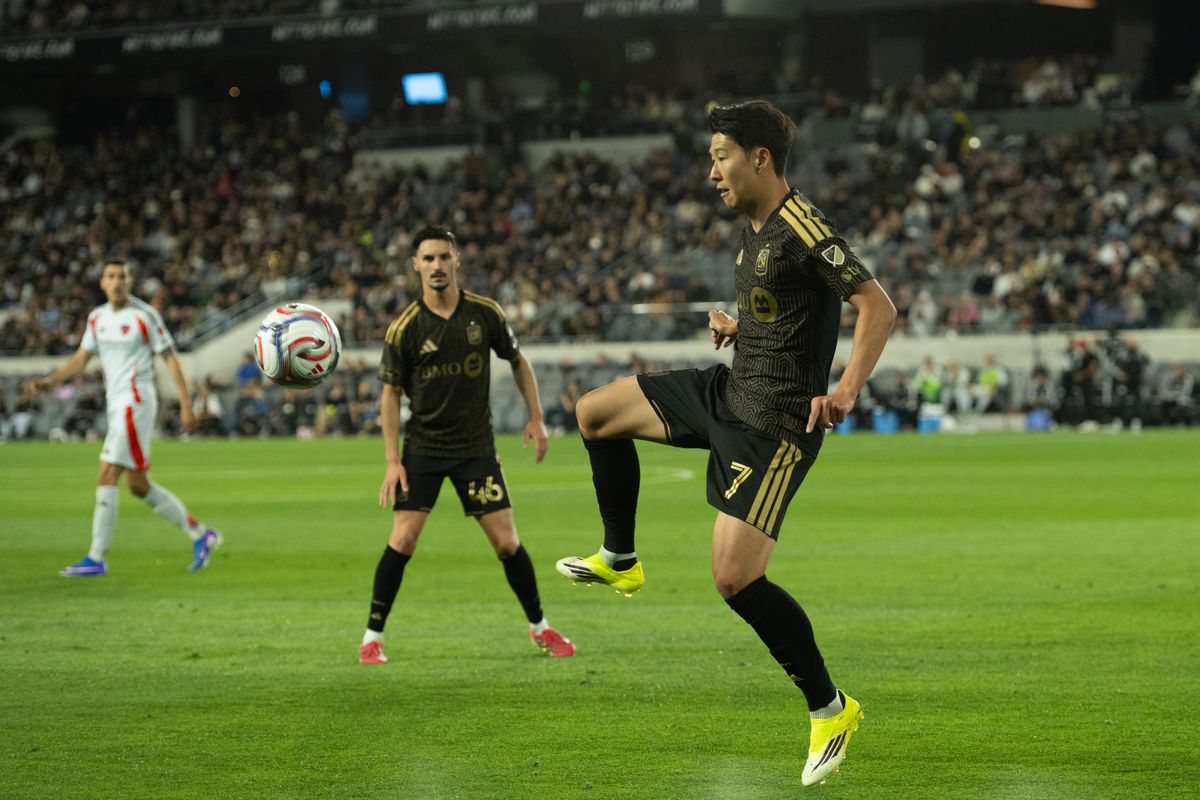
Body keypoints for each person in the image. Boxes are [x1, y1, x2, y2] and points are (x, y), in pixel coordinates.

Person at [556, 100, 896, 787]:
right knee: (595, 413)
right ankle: (620, 556)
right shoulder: (756, 231)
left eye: (721, 156)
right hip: (728, 393)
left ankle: (831, 708)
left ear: (759, 158)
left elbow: (876, 306)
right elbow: (790, 312)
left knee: (734, 578)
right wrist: (740, 326)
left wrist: (849, 388)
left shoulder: (804, 226)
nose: (711, 171)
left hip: (773, 430)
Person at [361, 225, 575, 664]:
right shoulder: (404, 328)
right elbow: (389, 394)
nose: (436, 266)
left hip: (475, 450)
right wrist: (390, 461)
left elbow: (518, 360)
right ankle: (371, 637)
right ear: (415, 266)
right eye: (428, 259)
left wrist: (536, 417)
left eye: (444, 257)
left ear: (456, 260)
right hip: (422, 450)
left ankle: (541, 627)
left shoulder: (484, 314)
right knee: (402, 540)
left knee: (507, 543)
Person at [24, 258, 221, 577]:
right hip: (116, 404)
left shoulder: (144, 315)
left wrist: (186, 404)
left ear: (131, 282)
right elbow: (81, 358)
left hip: (136, 401)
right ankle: (201, 535)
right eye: (111, 276)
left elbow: (170, 358)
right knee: (139, 486)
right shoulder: (97, 318)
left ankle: (96, 557)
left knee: (106, 473)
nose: (116, 282)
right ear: (102, 282)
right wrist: (50, 380)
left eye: (123, 277)